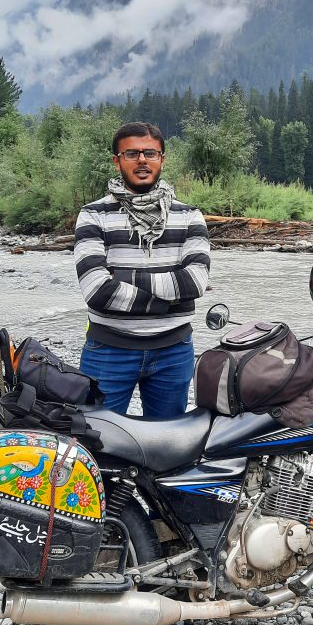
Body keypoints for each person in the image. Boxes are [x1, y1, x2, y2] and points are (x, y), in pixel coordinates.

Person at [75, 122, 210, 418]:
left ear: (162, 158)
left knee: (167, 450)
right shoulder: (93, 215)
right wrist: (169, 300)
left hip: (174, 352)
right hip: (108, 350)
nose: (142, 160)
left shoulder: (189, 216)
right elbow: (97, 291)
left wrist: (122, 279)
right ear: (117, 161)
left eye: (150, 152)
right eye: (131, 153)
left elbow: (195, 284)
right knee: (96, 443)